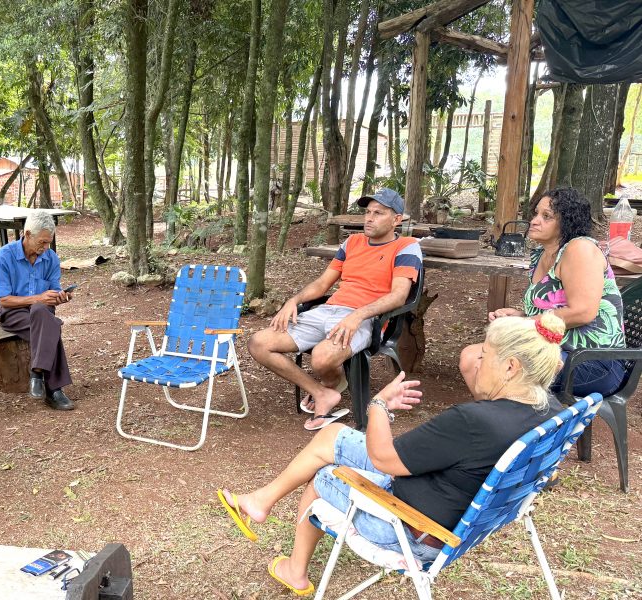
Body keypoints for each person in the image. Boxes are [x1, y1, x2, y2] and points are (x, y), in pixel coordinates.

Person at [218, 314, 566, 596]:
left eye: (485, 355)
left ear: (511, 368)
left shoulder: (473, 422)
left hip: (415, 530)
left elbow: (384, 459)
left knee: (325, 475)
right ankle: (261, 501)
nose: (476, 361)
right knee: (333, 434)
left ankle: (295, 570)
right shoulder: (547, 408)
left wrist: (380, 406)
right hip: (457, 507)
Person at [248, 188, 422, 430]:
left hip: (367, 319)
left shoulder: (406, 246)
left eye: (378, 213)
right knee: (259, 342)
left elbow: (398, 296)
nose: (369, 218)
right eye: (368, 212)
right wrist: (293, 301)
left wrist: (357, 315)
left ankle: (331, 384)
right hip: (328, 311)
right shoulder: (352, 242)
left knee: (321, 357)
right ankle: (322, 392)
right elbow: (322, 284)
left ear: (397, 219)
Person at [460, 187, 626, 398]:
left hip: (593, 362)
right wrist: (521, 315)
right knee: (471, 358)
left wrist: (523, 323)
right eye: (536, 213)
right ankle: (500, 426)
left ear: (567, 222)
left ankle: (505, 426)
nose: (535, 220)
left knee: (489, 366)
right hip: (555, 351)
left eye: (546, 216)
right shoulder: (541, 255)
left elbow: (583, 312)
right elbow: (551, 311)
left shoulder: (580, 249)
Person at [0, 210, 75, 411]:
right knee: (51, 325)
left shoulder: (51, 258)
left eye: (49, 243)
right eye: (43, 242)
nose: (46, 248)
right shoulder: (4, 257)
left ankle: (37, 372)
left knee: (42, 313)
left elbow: (53, 291)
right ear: (27, 234)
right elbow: (3, 300)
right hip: (12, 313)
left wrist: (60, 297)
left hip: (42, 312)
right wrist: (38, 298)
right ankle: (54, 389)